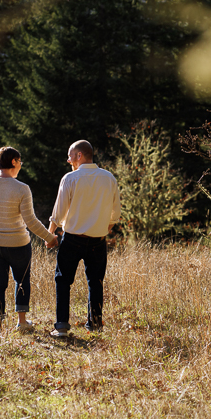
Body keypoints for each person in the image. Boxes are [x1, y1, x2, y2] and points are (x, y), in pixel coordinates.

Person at [0, 146, 58, 331]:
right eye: (20, 161)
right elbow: (30, 220)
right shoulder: (22, 188)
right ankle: (21, 322)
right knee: (21, 280)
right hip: (18, 244)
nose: (21, 165)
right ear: (13, 161)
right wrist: (50, 237)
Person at [47, 140, 121, 337]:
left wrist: (50, 234)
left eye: (70, 155)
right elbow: (115, 215)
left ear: (79, 156)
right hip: (98, 240)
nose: (68, 159)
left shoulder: (70, 178)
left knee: (63, 281)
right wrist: (101, 228)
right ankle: (95, 324)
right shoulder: (109, 178)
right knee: (95, 282)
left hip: (72, 239)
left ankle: (62, 325)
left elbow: (58, 211)